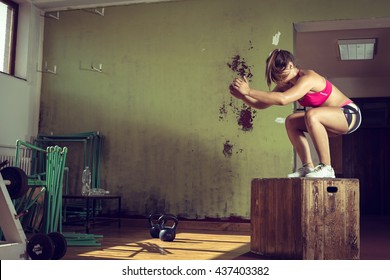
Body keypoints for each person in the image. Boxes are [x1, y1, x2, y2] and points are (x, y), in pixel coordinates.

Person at [229, 49, 362, 178]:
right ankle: (307, 166)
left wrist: (249, 91)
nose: (281, 80)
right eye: (277, 78)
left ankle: (327, 167)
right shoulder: (286, 84)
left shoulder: (308, 78)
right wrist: (243, 97)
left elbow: (283, 100)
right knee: (291, 121)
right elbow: (261, 104)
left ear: (291, 65)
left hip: (349, 115)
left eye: (283, 76)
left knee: (312, 114)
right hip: (329, 121)